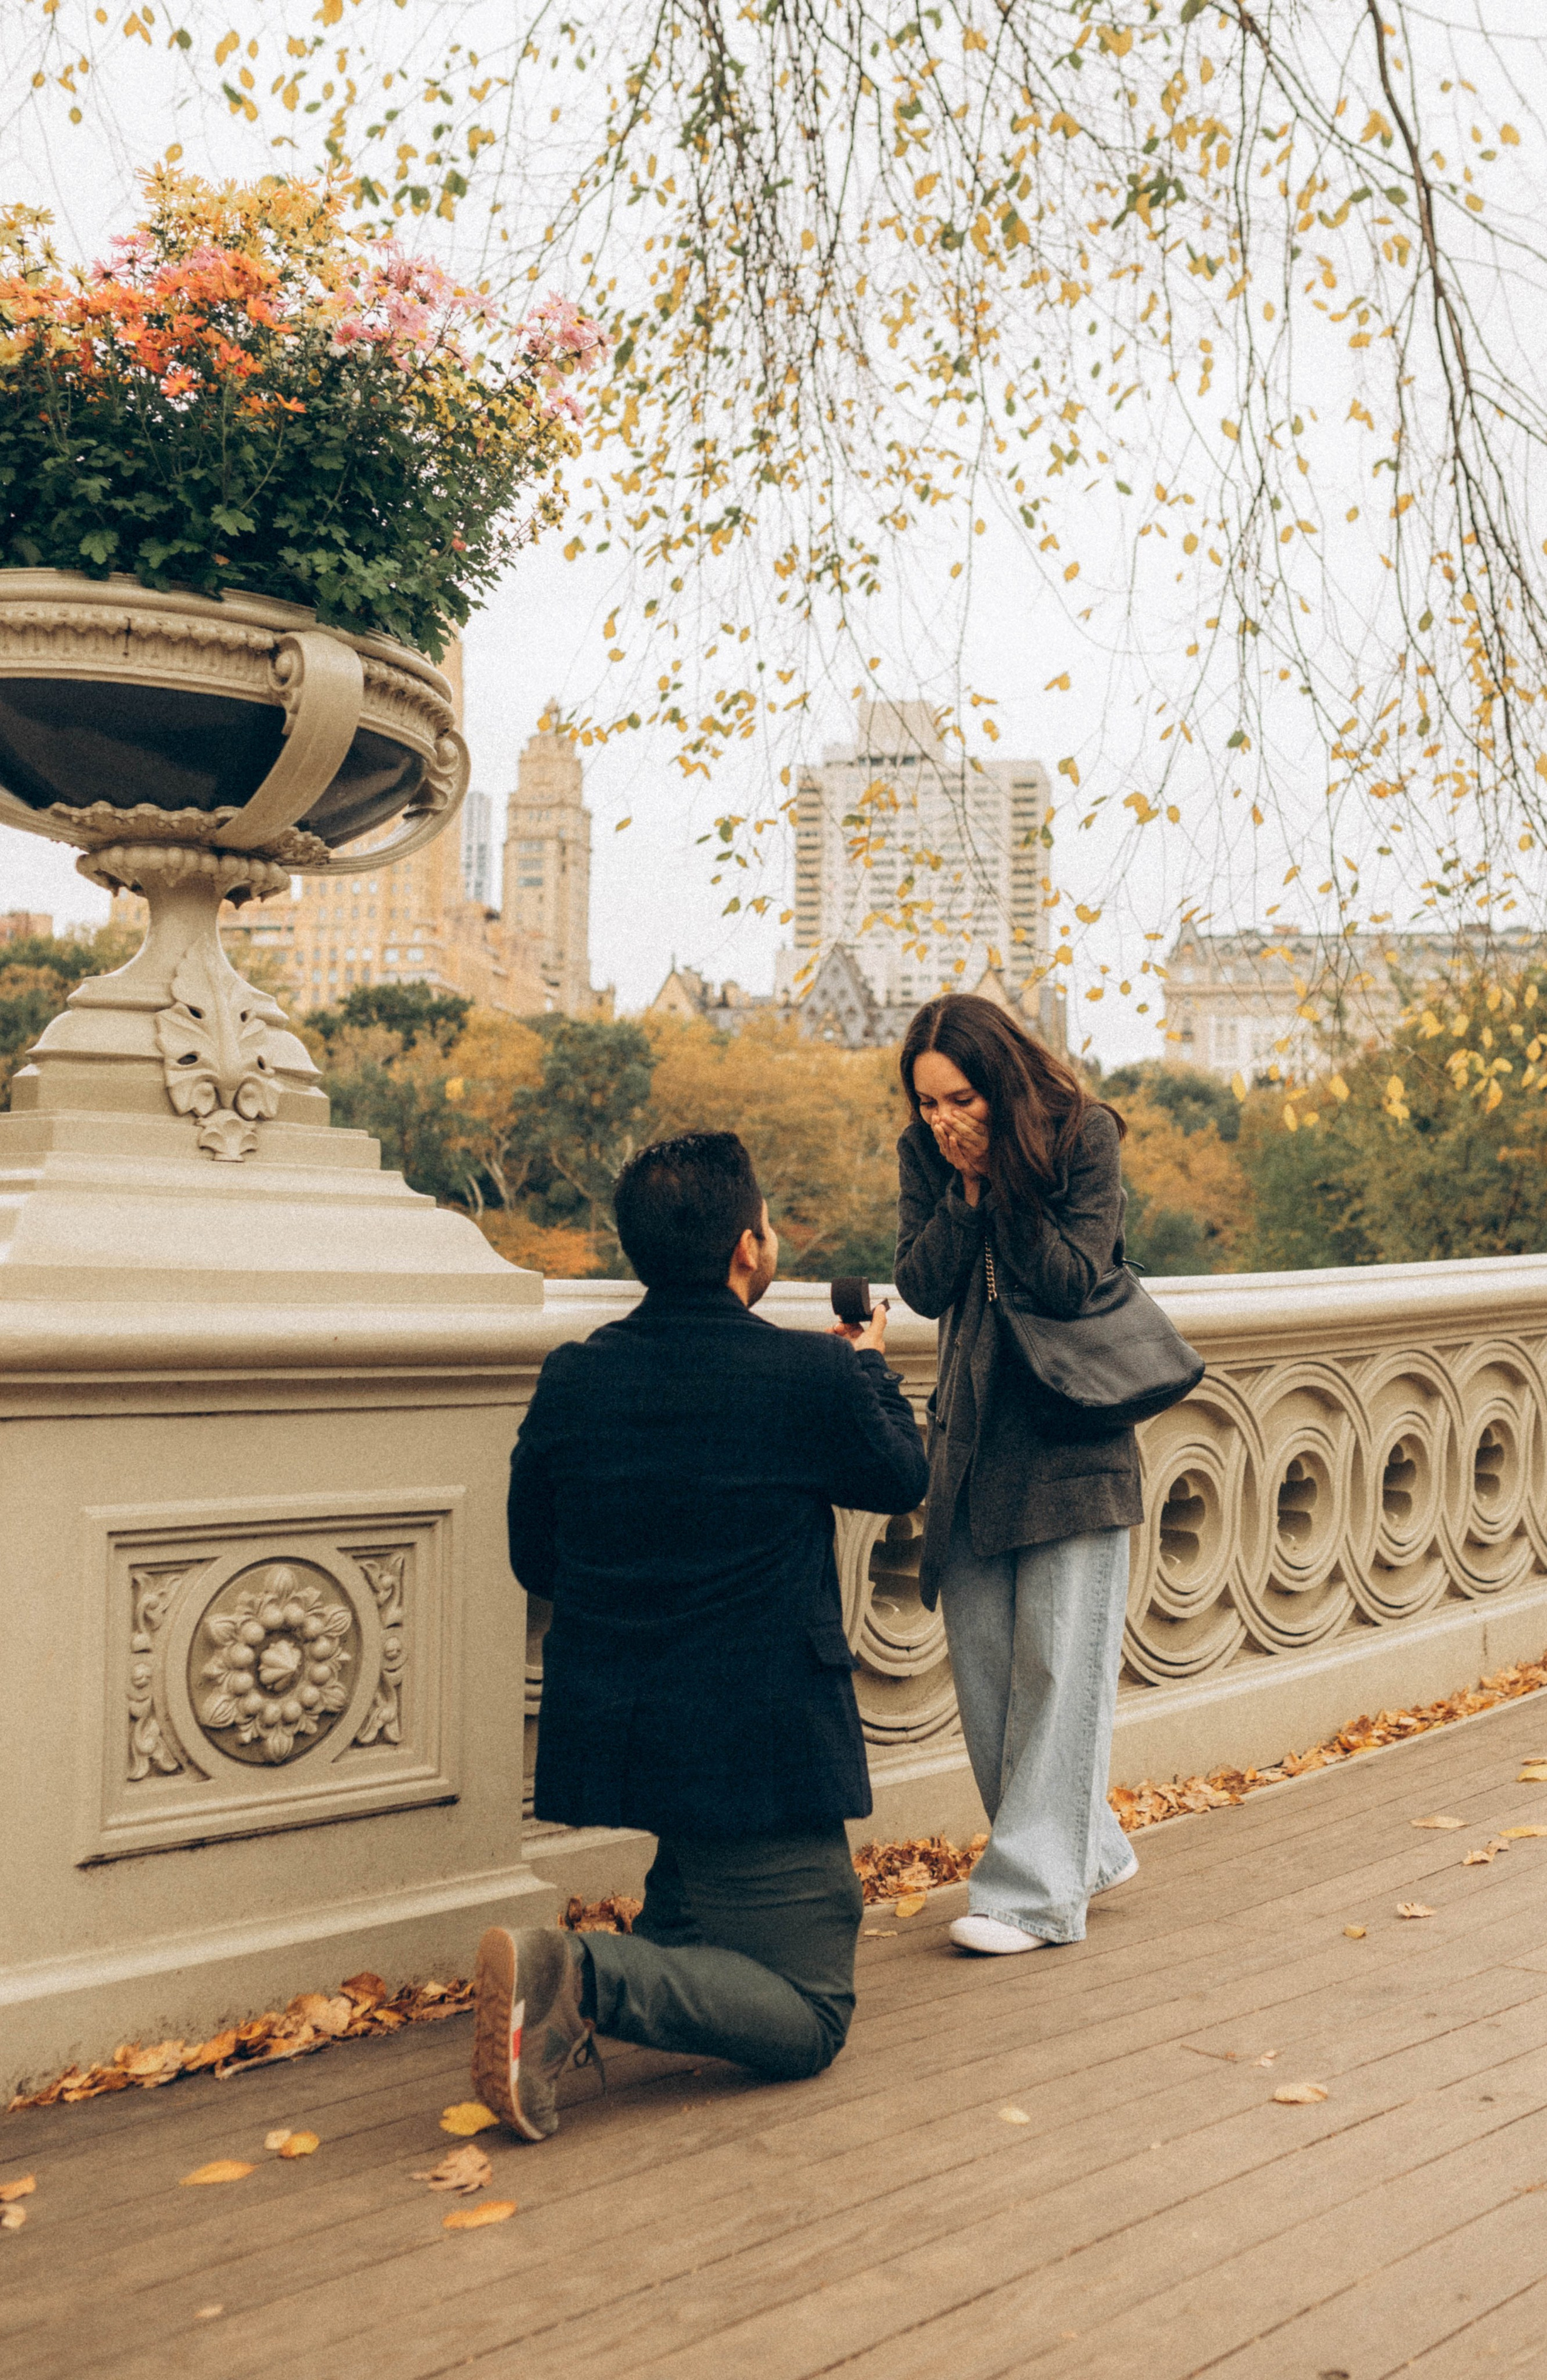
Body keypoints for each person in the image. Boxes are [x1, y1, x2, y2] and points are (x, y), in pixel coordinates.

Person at [472, 1130, 928, 2140]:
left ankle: (640, 1956)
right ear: (749, 1249)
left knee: (699, 1908)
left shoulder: (575, 1377)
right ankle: (577, 1976)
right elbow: (902, 1478)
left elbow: (533, 1558)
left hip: (619, 1726)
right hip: (760, 1738)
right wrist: (869, 1371)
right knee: (811, 2014)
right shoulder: (808, 1376)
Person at [894, 993, 1143, 1957]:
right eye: (925, 1103)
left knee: (1056, 1664)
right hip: (969, 1437)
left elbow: (1073, 1280)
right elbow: (919, 1283)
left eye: (959, 1098)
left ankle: (1035, 1896)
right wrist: (961, 1191)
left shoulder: (1085, 1138)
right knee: (992, 1675)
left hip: (1070, 1435)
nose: (941, 1119)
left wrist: (1005, 1180)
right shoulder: (927, 1157)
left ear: (999, 1080)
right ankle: (1093, 1846)